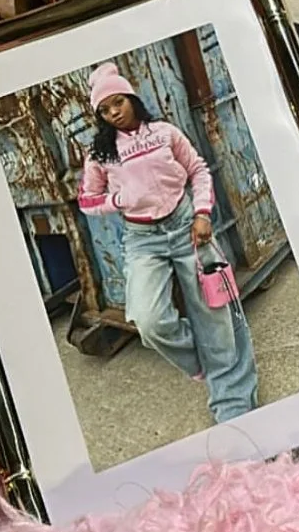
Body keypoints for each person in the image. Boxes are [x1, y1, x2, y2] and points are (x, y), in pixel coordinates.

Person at [77, 62, 259, 424]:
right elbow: (87, 201)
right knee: (149, 320)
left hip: (186, 225)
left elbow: (198, 170)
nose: (114, 113)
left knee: (215, 314)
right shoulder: (101, 154)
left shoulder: (164, 133)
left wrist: (203, 213)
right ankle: (206, 358)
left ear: (131, 98)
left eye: (118, 103)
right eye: (105, 110)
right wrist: (118, 199)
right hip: (142, 239)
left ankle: (233, 407)